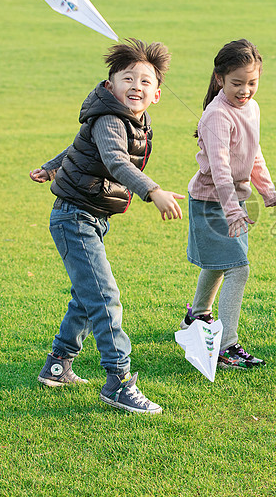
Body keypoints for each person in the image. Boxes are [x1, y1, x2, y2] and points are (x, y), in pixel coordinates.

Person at [30, 39, 185, 413]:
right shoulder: (111, 118)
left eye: (145, 81)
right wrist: (153, 191)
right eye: (127, 78)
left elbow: (79, 146)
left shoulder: (134, 119)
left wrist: (52, 166)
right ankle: (118, 380)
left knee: (88, 295)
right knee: (105, 297)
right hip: (75, 217)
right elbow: (115, 160)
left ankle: (57, 364)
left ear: (157, 94)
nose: (136, 86)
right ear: (109, 85)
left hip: (92, 215)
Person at [183, 39, 276, 369]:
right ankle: (226, 346)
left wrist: (266, 189)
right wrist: (232, 208)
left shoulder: (252, 109)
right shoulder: (216, 117)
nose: (245, 90)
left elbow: (254, 153)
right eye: (237, 83)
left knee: (221, 262)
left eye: (252, 83)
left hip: (233, 201)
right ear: (219, 79)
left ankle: (196, 317)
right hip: (213, 202)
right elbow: (221, 169)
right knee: (238, 268)